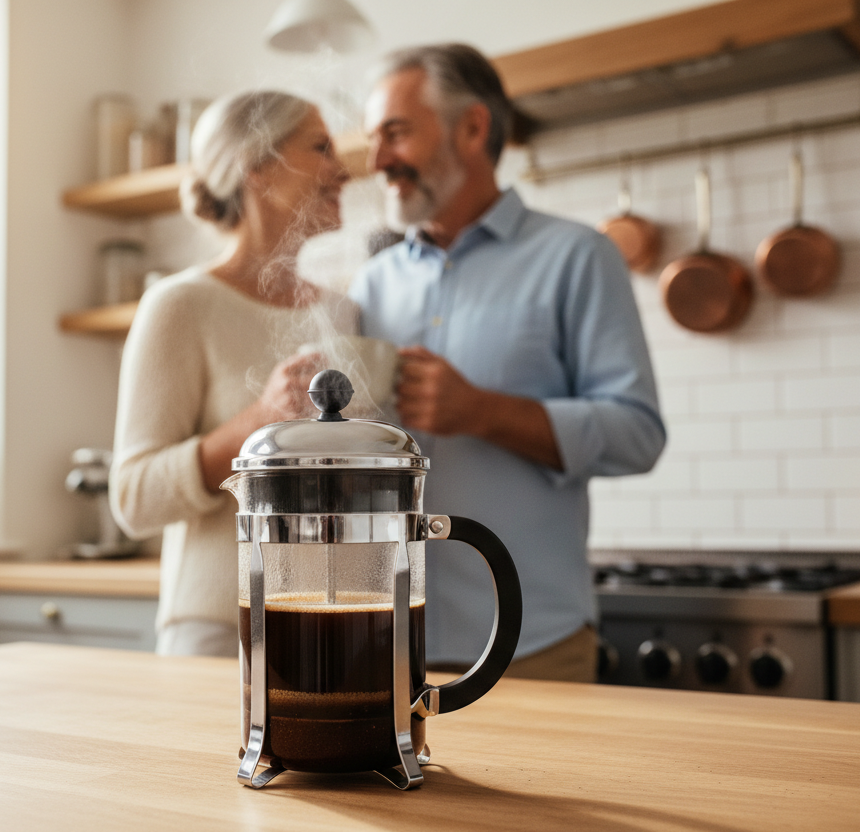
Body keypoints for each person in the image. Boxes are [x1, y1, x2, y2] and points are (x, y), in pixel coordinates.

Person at [350, 44, 666, 683]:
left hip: (529, 647)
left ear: (471, 128)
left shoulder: (579, 257)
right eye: (372, 139)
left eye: (396, 133)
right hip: (382, 646)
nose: (378, 161)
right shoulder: (370, 285)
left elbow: (637, 435)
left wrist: (483, 411)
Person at [110, 91, 356, 657]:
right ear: (259, 169)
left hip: (333, 627)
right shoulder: (180, 305)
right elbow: (133, 498)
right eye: (321, 148)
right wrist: (261, 421)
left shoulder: (346, 313)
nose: (342, 170)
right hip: (220, 630)